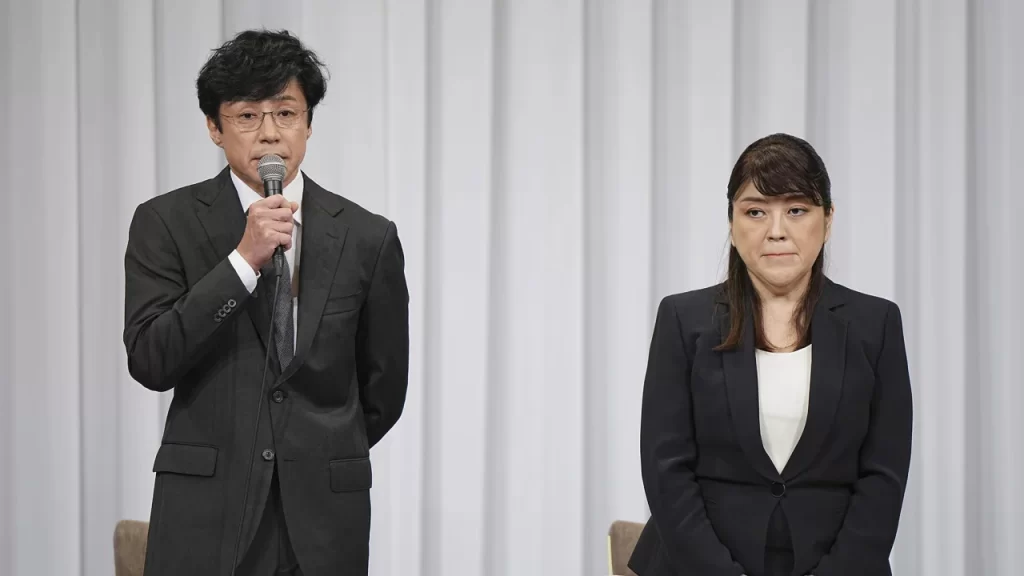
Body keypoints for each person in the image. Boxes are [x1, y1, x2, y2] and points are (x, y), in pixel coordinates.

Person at [123, 29, 409, 576]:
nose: (270, 133)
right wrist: (242, 262)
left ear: (308, 123)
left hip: (324, 520)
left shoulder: (368, 237)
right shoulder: (165, 222)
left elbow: (383, 387)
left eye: (285, 113)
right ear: (214, 127)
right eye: (247, 116)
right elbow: (151, 358)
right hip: (205, 512)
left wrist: (315, 449)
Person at [628, 134, 913, 576]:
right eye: (756, 211)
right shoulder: (683, 320)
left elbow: (883, 477)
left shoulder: (875, 325)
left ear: (828, 219)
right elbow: (666, 471)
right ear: (732, 222)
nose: (776, 230)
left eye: (796, 210)